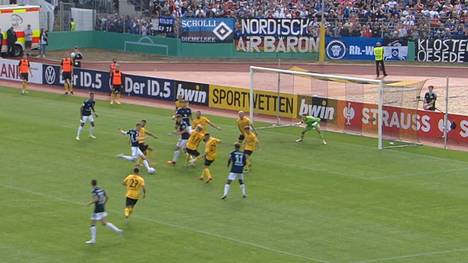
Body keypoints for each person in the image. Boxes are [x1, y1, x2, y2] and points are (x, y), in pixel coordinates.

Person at [85, 179, 123, 245]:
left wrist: (89, 203)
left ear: (91, 184)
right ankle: (118, 231)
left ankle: (93, 240)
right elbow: (107, 197)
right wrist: (104, 204)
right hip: (101, 207)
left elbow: (96, 199)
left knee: (93, 223)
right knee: (103, 223)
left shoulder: (94, 191)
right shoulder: (101, 189)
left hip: (97, 209)